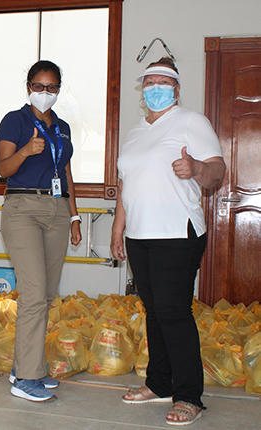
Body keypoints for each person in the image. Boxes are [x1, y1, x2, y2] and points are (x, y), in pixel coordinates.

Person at [111, 57, 226, 425]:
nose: (155, 87)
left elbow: (217, 173)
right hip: (139, 236)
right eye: (149, 82)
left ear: (176, 89)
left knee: (174, 312)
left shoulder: (192, 121)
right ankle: (158, 383)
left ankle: (189, 395)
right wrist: (118, 228)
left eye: (164, 82)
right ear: (142, 90)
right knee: (154, 311)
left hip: (177, 232)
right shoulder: (134, 132)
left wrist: (195, 168)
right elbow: (127, 184)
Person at [0, 60, 82, 402]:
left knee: (46, 295)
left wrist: (74, 218)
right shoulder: (14, 120)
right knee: (32, 295)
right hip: (23, 209)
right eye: (39, 86)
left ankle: (26, 366)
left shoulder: (62, 127)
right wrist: (26, 150)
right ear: (28, 86)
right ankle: (26, 379)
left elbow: (67, 173)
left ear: (59, 89)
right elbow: (4, 168)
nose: (45, 93)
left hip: (57, 210)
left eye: (52, 88)